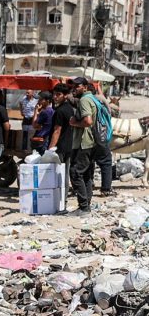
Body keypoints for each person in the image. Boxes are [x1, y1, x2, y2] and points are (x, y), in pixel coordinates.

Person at [69, 77, 97, 216]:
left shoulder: (84, 100)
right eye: (73, 86)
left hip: (84, 142)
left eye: (77, 86)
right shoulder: (93, 99)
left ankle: (83, 207)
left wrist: (74, 123)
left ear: (85, 87)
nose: (74, 88)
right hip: (91, 142)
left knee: (75, 172)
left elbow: (88, 121)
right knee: (86, 175)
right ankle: (86, 206)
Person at [88, 84, 115, 197]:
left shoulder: (83, 100)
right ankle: (106, 189)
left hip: (89, 138)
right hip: (101, 137)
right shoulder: (99, 99)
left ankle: (89, 185)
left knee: (89, 162)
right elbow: (109, 112)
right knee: (106, 163)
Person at [50, 83, 75, 196]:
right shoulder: (69, 108)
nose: (55, 97)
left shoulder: (60, 111)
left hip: (60, 147)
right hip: (69, 145)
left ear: (65, 96)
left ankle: (60, 198)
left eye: (58, 94)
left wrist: (50, 148)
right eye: (54, 94)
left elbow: (57, 131)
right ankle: (63, 198)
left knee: (59, 173)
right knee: (65, 173)